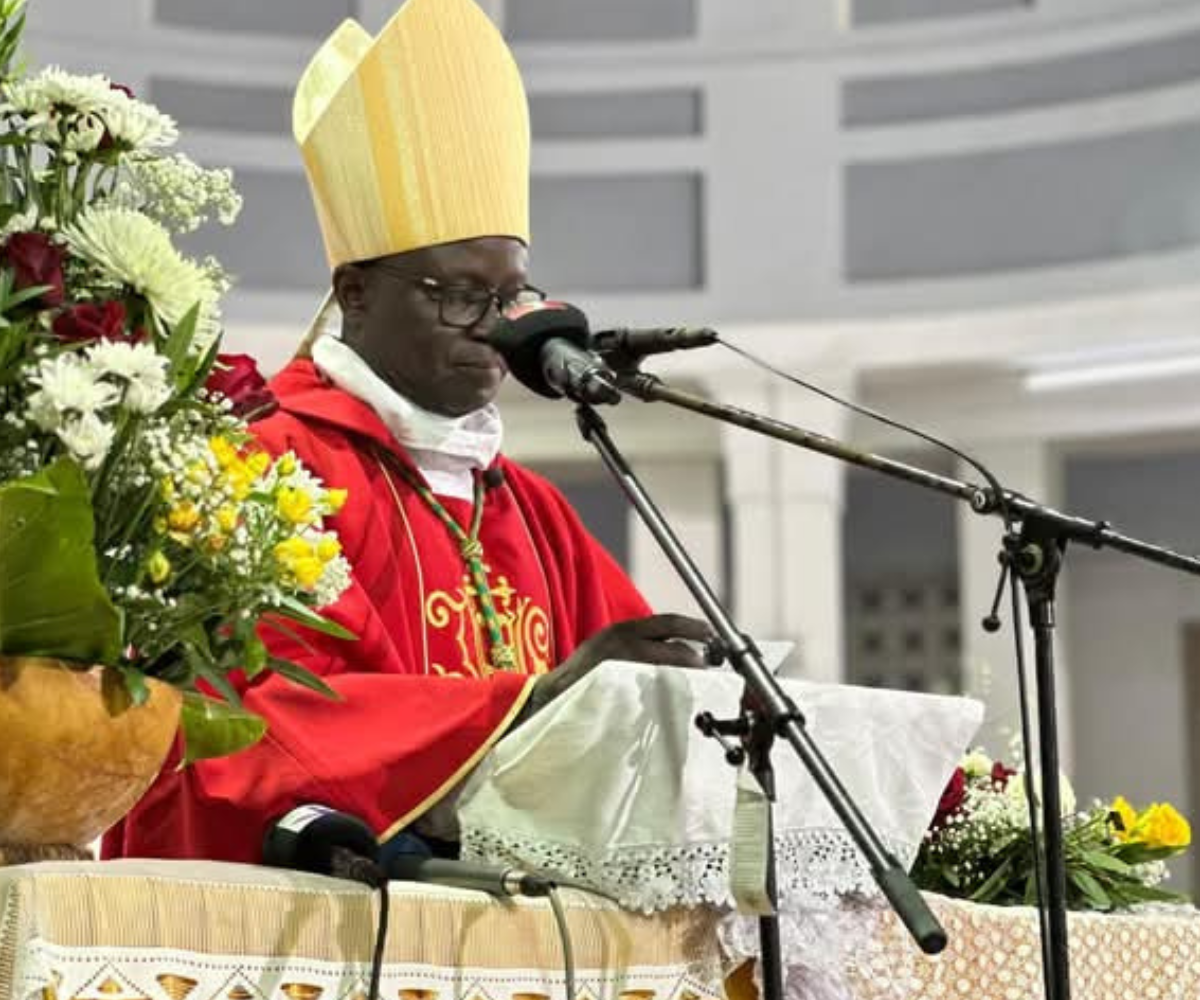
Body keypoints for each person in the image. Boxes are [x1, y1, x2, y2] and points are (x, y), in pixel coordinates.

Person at [103, 0, 711, 864]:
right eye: (461, 295)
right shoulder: (263, 468)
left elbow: (637, 695)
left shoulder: (530, 511)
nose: (495, 327)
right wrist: (541, 701)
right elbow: (248, 722)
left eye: (510, 300)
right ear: (355, 293)